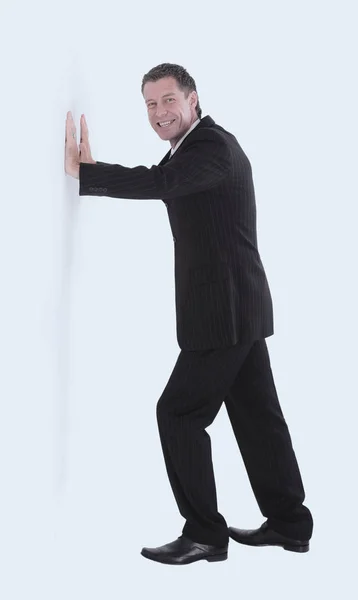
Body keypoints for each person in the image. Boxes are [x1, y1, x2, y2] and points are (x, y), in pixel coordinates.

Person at [65, 62, 313, 566]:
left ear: (193, 99)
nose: (159, 113)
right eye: (151, 105)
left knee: (177, 414)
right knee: (258, 417)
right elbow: (172, 181)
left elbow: (162, 182)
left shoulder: (211, 148)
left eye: (168, 100)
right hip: (237, 307)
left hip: (223, 312)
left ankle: (204, 533)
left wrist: (86, 172)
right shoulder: (197, 149)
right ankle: (290, 524)